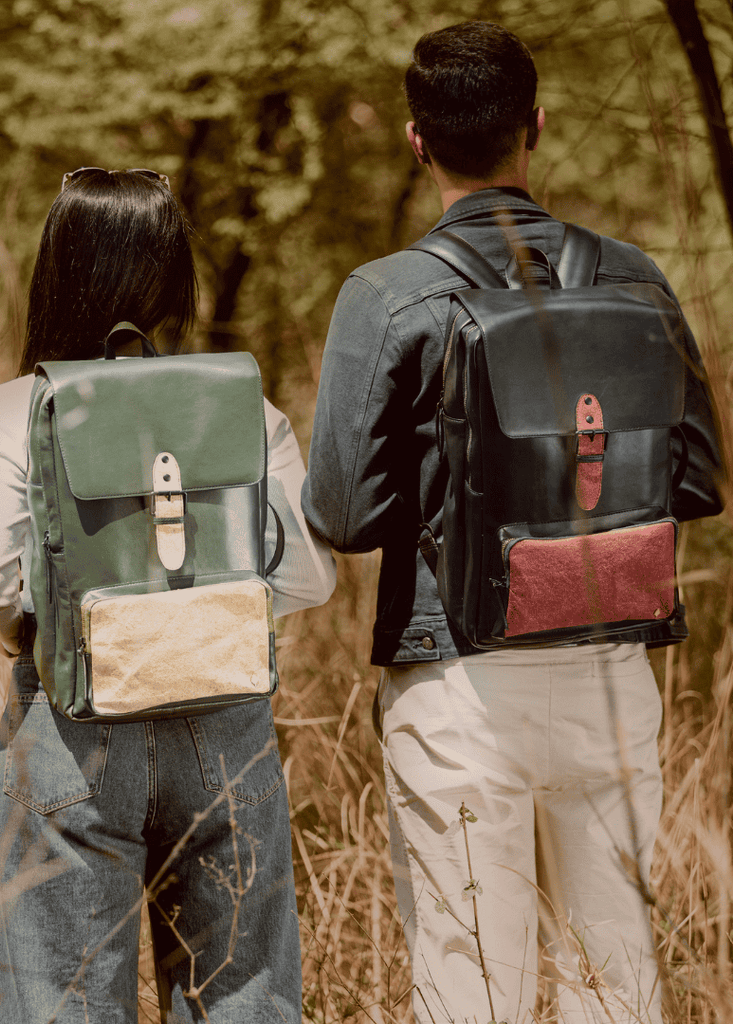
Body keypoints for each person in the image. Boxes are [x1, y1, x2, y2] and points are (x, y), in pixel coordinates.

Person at [302, 22, 723, 1024]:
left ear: (416, 140)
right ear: (535, 124)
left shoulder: (387, 294)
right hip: (609, 670)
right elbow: (700, 479)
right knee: (615, 982)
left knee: (473, 986)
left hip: (457, 677)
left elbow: (343, 514)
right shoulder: (635, 278)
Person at [0, 167, 336, 1024]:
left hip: (71, 728)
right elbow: (309, 575)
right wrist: (207, 618)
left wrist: (31, 636)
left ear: (58, 271)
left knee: (67, 1004)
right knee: (244, 999)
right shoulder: (242, 403)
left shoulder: (18, 409)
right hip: (225, 726)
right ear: (172, 280)